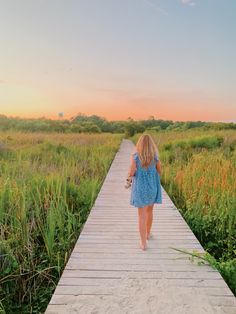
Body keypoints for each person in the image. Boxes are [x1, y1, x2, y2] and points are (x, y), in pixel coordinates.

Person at [127, 134, 162, 250]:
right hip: (152, 187)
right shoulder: (155, 156)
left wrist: (132, 174)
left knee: (141, 215)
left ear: (140, 144)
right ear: (151, 144)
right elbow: (159, 171)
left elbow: (131, 173)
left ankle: (143, 243)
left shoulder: (135, 156)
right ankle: (147, 234)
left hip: (140, 188)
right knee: (150, 211)